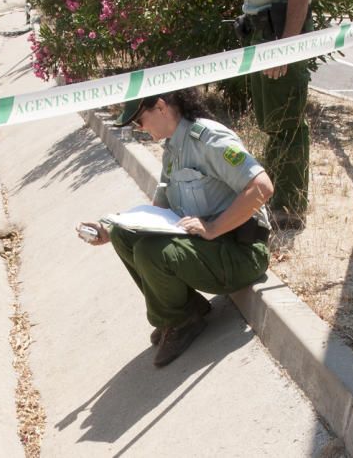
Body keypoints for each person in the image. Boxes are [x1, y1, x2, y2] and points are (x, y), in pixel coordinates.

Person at [78, 88, 273, 367]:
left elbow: (262, 187)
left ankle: (182, 321)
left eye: (139, 119)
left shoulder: (209, 138)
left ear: (160, 106)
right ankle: (183, 311)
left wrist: (213, 227)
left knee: (150, 251)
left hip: (242, 252)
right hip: (213, 250)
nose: (139, 128)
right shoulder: (173, 149)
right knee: (125, 235)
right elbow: (158, 209)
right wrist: (108, 228)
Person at [231, 0, 322, 231]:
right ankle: (279, 201)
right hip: (264, 32)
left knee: (286, 121)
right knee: (273, 120)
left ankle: (289, 207)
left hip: (278, 33)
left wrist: (287, 44)